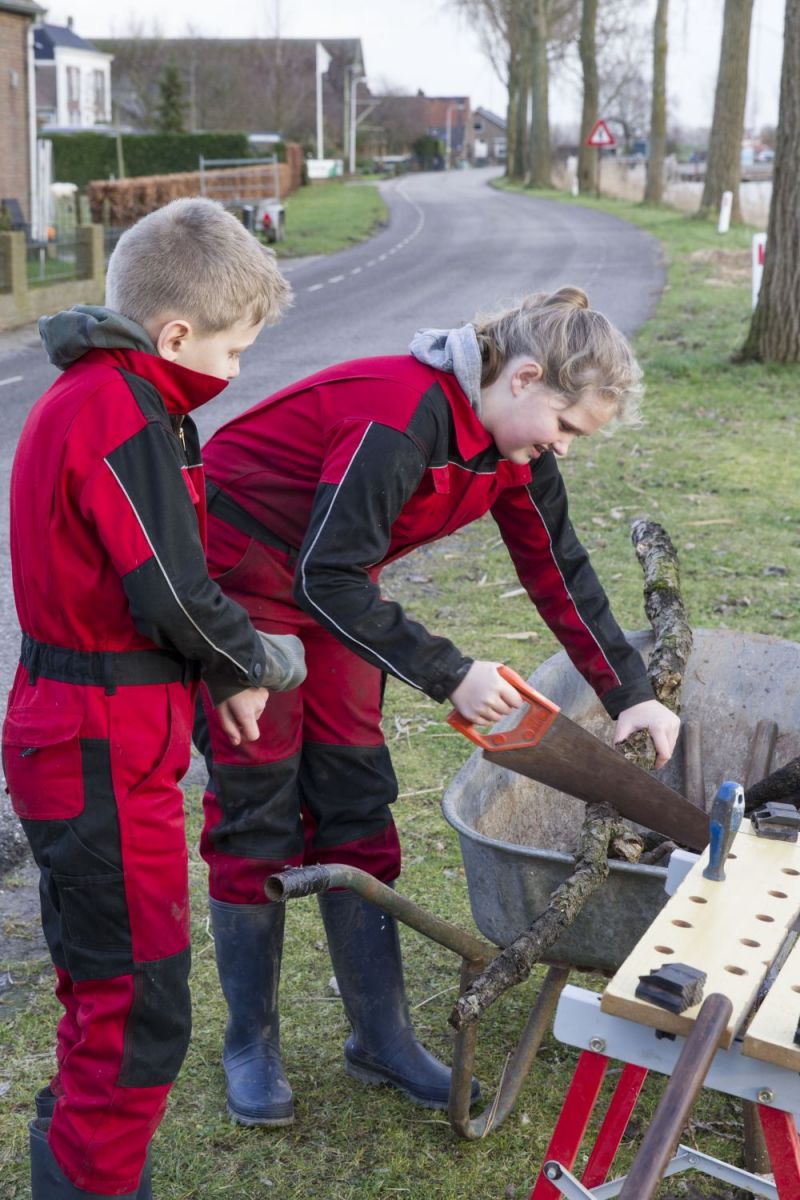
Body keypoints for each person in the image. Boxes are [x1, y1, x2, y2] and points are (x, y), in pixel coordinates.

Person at [193, 286, 681, 1127]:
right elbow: (325, 573)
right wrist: (450, 672)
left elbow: (558, 569)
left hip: (333, 587)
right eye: (562, 427)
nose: (556, 448)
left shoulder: (510, 450)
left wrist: (630, 696)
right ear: (524, 377)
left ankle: (379, 1036)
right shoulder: (400, 415)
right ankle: (252, 1042)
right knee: (257, 809)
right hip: (243, 591)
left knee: (356, 792)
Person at [2, 197, 306, 1199]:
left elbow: (147, 582)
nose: (234, 376)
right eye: (232, 352)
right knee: (139, 1004)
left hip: (99, 733)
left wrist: (218, 675)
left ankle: (74, 1168)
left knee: (108, 982)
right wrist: (254, 657)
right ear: (174, 332)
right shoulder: (116, 407)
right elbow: (174, 588)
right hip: (92, 740)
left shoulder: (128, 400)